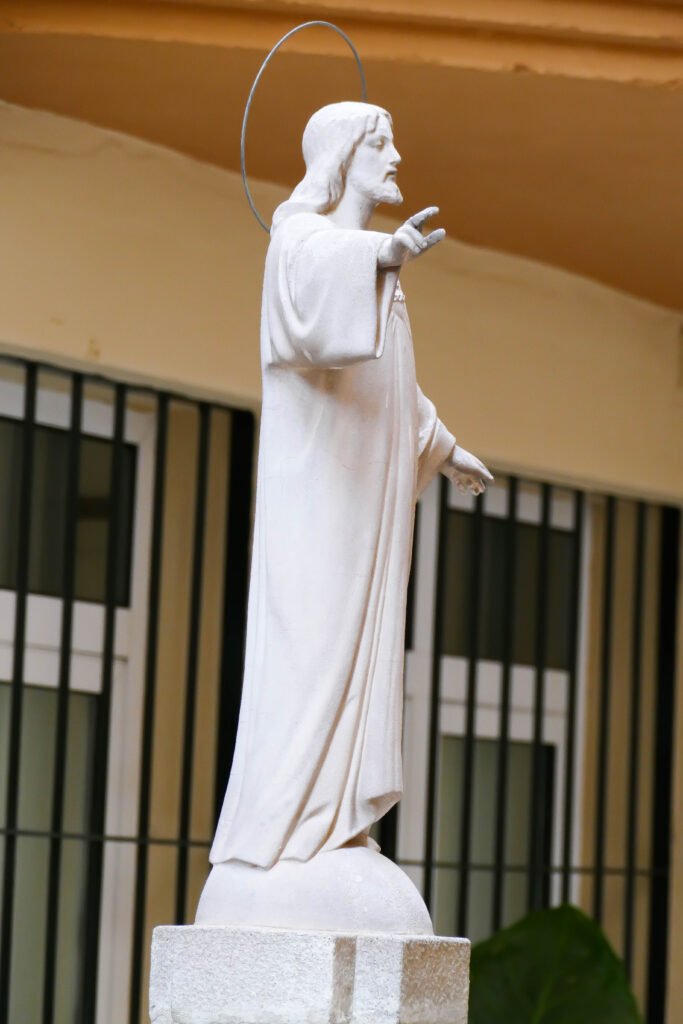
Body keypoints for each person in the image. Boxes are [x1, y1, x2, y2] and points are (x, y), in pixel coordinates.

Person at [209, 101, 492, 870]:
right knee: (311, 654)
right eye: (380, 143)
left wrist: (445, 447)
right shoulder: (300, 240)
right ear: (340, 157)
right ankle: (283, 834)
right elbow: (309, 333)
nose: (395, 157)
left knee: (360, 649)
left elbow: (389, 387)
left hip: (364, 507)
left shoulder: (372, 267)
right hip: (318, 505)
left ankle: (335, 822)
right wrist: (381, 254)